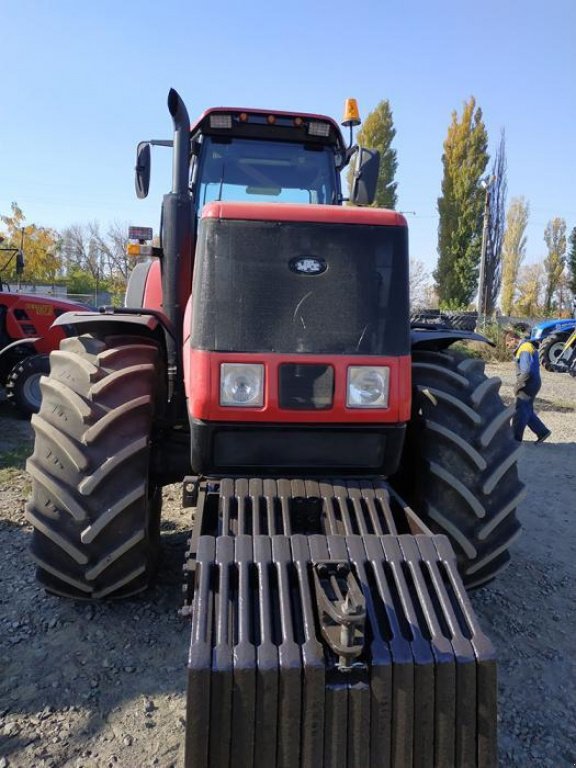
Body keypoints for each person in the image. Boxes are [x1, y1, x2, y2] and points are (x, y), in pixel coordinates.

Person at [504, 326, 551, 443]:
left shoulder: (524, 348)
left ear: (513, 339)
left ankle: (515, 438)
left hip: (528, 383)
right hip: (533, 382)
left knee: (519, 410)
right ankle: (542, 431)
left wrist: (518, 386)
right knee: (527, 410)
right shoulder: (527, 347)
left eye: (507, 344)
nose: (508, 347)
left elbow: (526, 371)